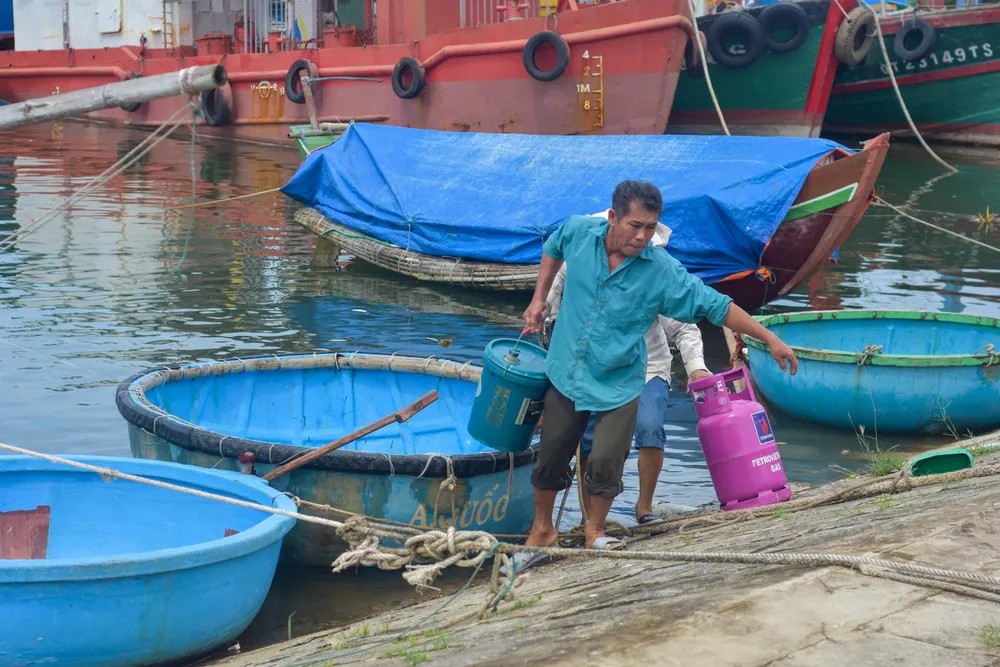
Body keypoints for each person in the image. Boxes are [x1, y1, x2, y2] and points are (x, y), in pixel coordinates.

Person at [513, 179, 797, 572]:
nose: (643, 236)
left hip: (619, 380)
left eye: (651, 227)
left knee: (608, 462)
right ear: (612, 218)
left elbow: (715, 305)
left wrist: (769, 337)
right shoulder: (579, 231)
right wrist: (539, 298)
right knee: (551, 456)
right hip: (567, 369)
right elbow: (552, 248)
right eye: (635, 226)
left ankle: (595, 530)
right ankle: (542, 532)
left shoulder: (661, 271)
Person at [544, 213, 712, 525]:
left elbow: (684, 329)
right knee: (591, 442)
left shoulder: (654, 272)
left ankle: (644, 507)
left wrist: (697, 368)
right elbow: (549, 304)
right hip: (593, 369)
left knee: (649, 427)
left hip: (648, 367)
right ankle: (588, 520)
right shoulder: (580, 261)